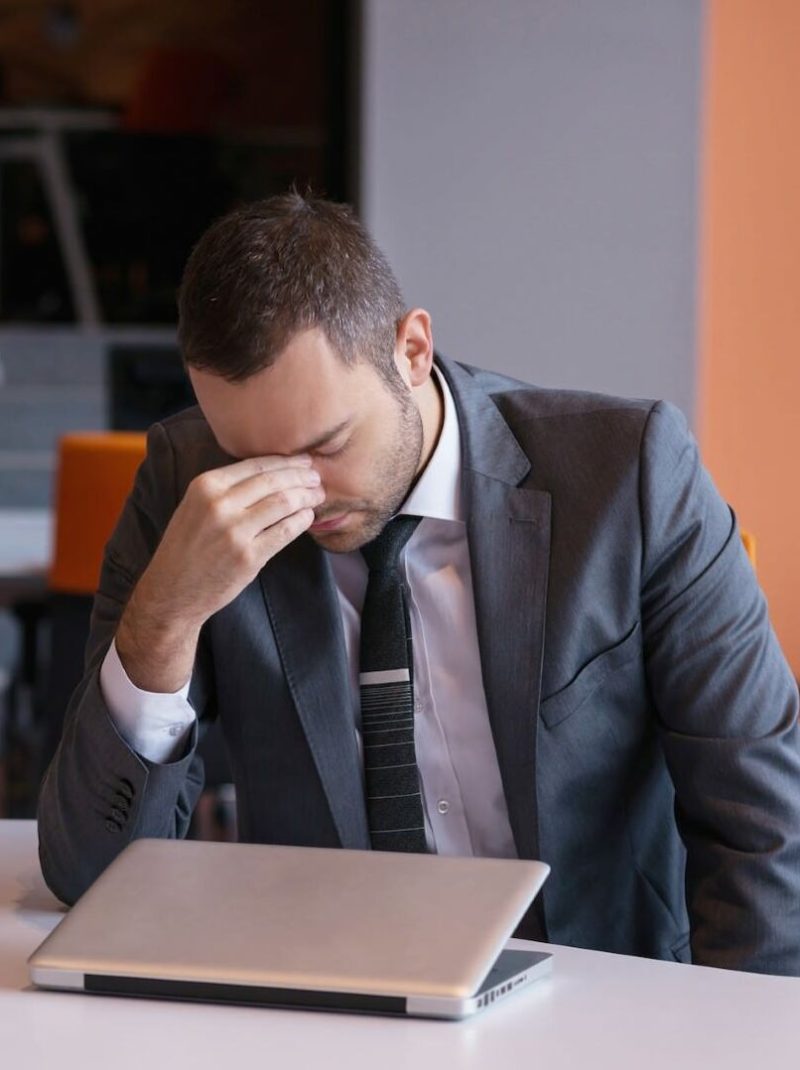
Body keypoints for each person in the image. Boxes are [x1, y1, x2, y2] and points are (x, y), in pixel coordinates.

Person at [38, 193, 800, 975]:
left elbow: (763, 821)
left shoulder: (627, 476)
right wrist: (164, 618)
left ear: (411, 350)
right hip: (329, 1002)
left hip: (601, 989)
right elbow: (90, 880)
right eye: (250, 458)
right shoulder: (186, 487)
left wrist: (740, 1034)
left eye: (326, 443)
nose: (299, 494)